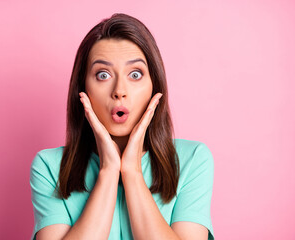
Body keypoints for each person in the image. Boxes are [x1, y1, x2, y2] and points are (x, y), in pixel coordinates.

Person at [30, 13, 215, 240]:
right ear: (83, 89)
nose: (120, 90)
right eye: (103, 74)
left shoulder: (192, 160)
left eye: (135, 74)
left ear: (154, 86)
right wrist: (108, 171)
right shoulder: (50, 167)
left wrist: (132, 172)